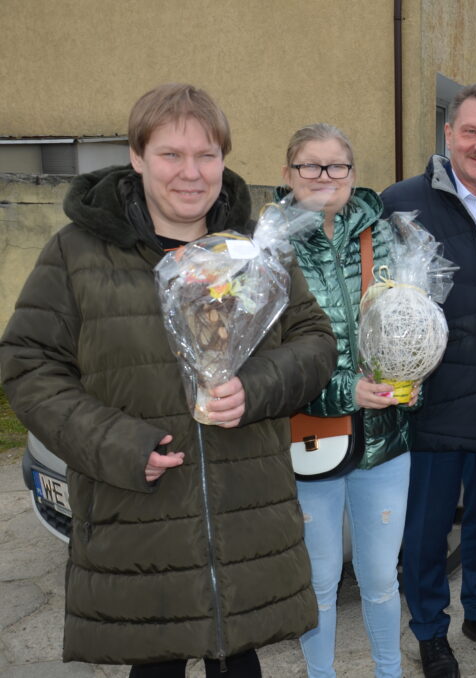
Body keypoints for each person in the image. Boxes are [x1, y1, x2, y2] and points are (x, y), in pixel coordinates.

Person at [0, 84, 337, 677]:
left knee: (242, 660)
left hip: (247, 515)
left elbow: (315, 341)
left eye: (206, 155)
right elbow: (28, 365)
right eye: (170, 155)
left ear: (224, 159)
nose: (191, 173)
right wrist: (120, 444)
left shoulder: (257, 249)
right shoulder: (77, 253)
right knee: (153, 664)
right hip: (140, 521)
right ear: (136, 156)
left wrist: (254, 388)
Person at [380, 83, 476, 678]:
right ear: (448, 135)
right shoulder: (403, 202)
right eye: (470, 131)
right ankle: (428, 630)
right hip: (432, 402)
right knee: (424, 532)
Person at [282, 123, 415, 678]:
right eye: (310, 166)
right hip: (309, 436)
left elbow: (414, 321)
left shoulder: (391, 236)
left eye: (336, 166)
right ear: (288, 175)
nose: (324, 177)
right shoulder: (271, 244)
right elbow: (267, 356)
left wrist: (409, 376)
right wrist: (343, 389)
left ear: (353, 174)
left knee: (382, 577)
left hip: (386, 439)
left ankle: (389, 672)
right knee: (318, 578)